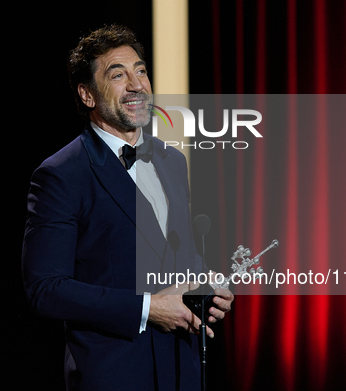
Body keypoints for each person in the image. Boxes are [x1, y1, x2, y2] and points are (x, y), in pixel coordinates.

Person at [21, 24, 233, 391]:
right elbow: (46, 288)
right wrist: (147, 308)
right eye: (118, 75)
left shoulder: (171, 161)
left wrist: (207, 287)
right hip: (114, 374)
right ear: (87, 95)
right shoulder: (60, 174)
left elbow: (180, 257)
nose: (137, 85)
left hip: (182, 371)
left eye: (141, 71)